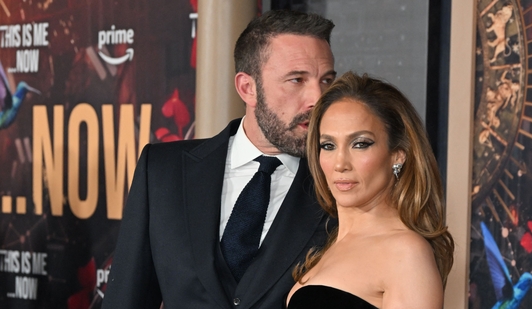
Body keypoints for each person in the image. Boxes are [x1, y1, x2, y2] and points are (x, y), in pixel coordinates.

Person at [101, 10, 337, 309]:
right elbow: (126, 299)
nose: (318, 98)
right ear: (247, 88)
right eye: (296, 80)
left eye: (326, 80)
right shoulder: (164, 171)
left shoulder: (340, 184)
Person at [286, 72, 454, 309]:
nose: (340, 163)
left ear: (397, 154)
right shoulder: (326, 248)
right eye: (328, 145)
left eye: (360, 144)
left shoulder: (406, 253)